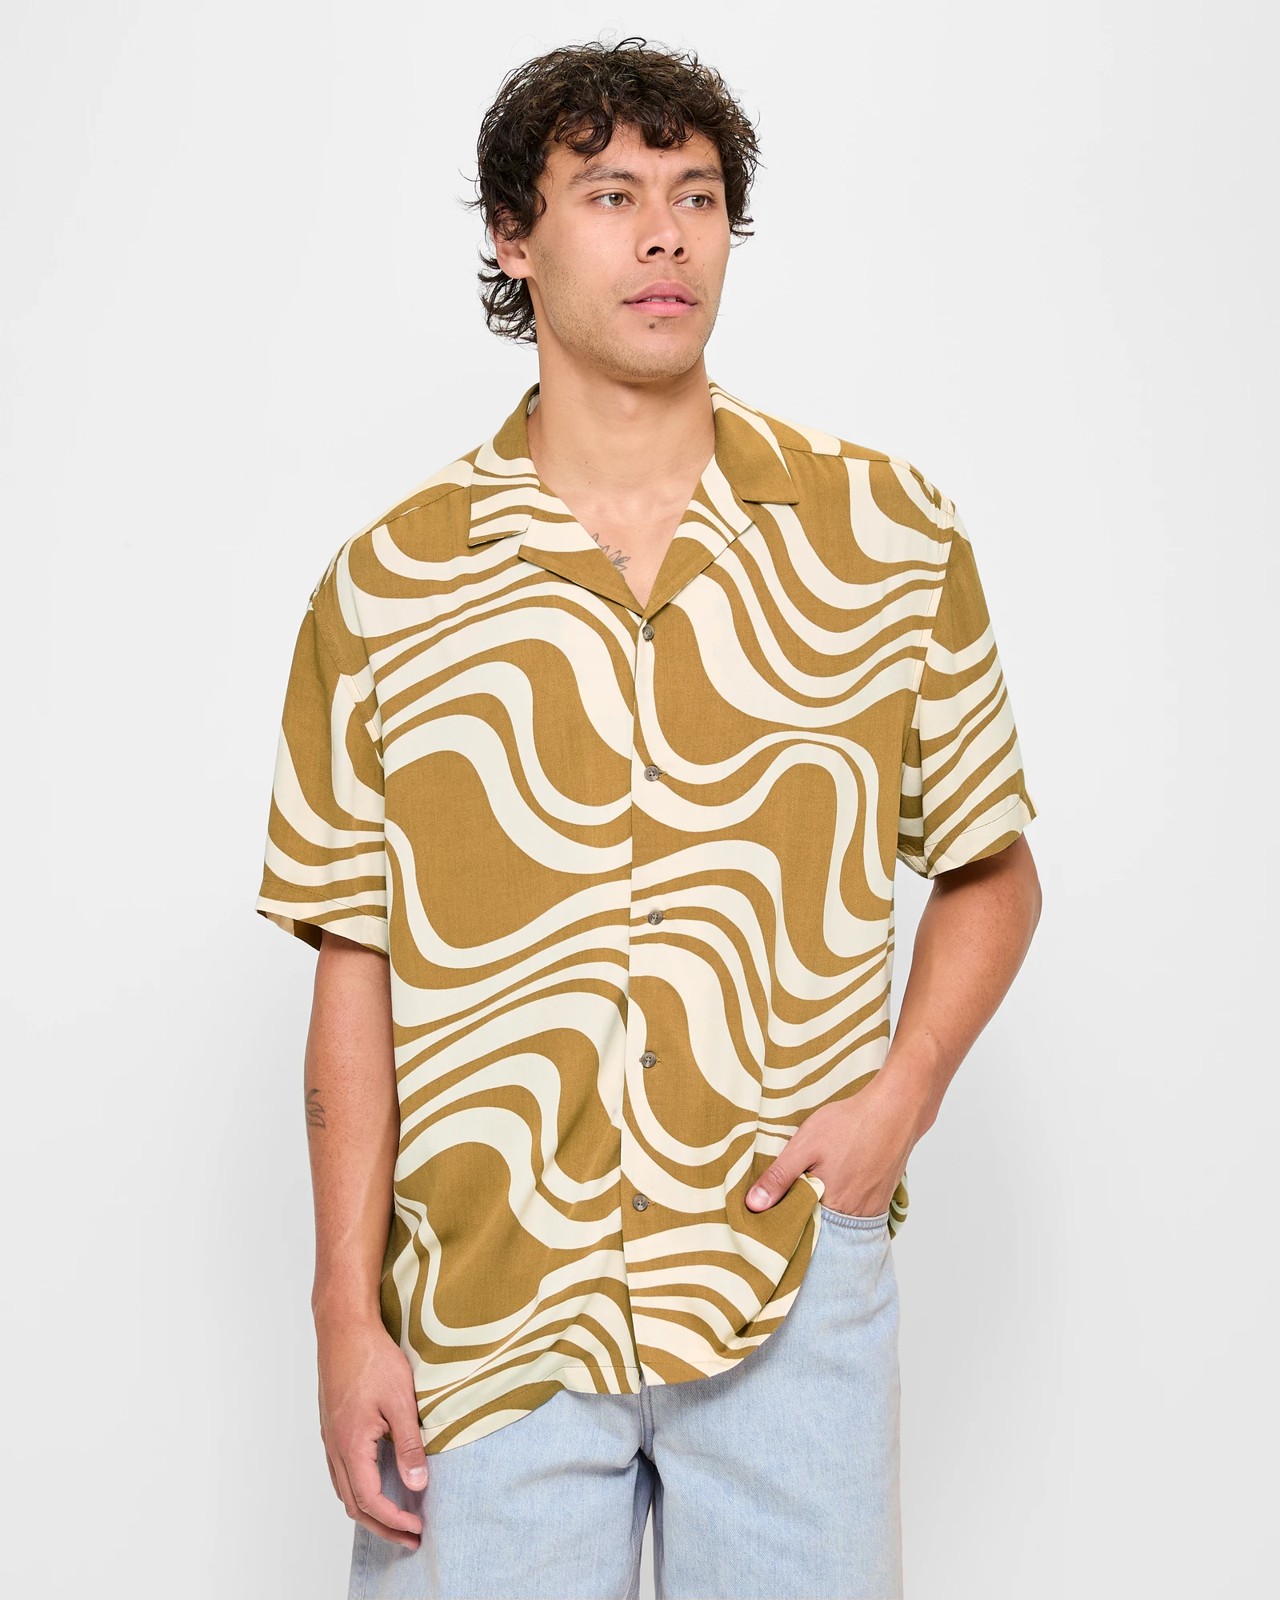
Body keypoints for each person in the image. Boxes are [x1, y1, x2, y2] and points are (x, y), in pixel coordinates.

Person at [254, 34, 1043, 1600]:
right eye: (611, 195)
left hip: (788, 1280)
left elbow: (992, 871)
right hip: (486, 1309)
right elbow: (357, 959)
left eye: (696, 196)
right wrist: (346, 1316)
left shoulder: (883, 539)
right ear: (513, 235)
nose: (667, 235)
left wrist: (898, 1106)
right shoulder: (386, 587)